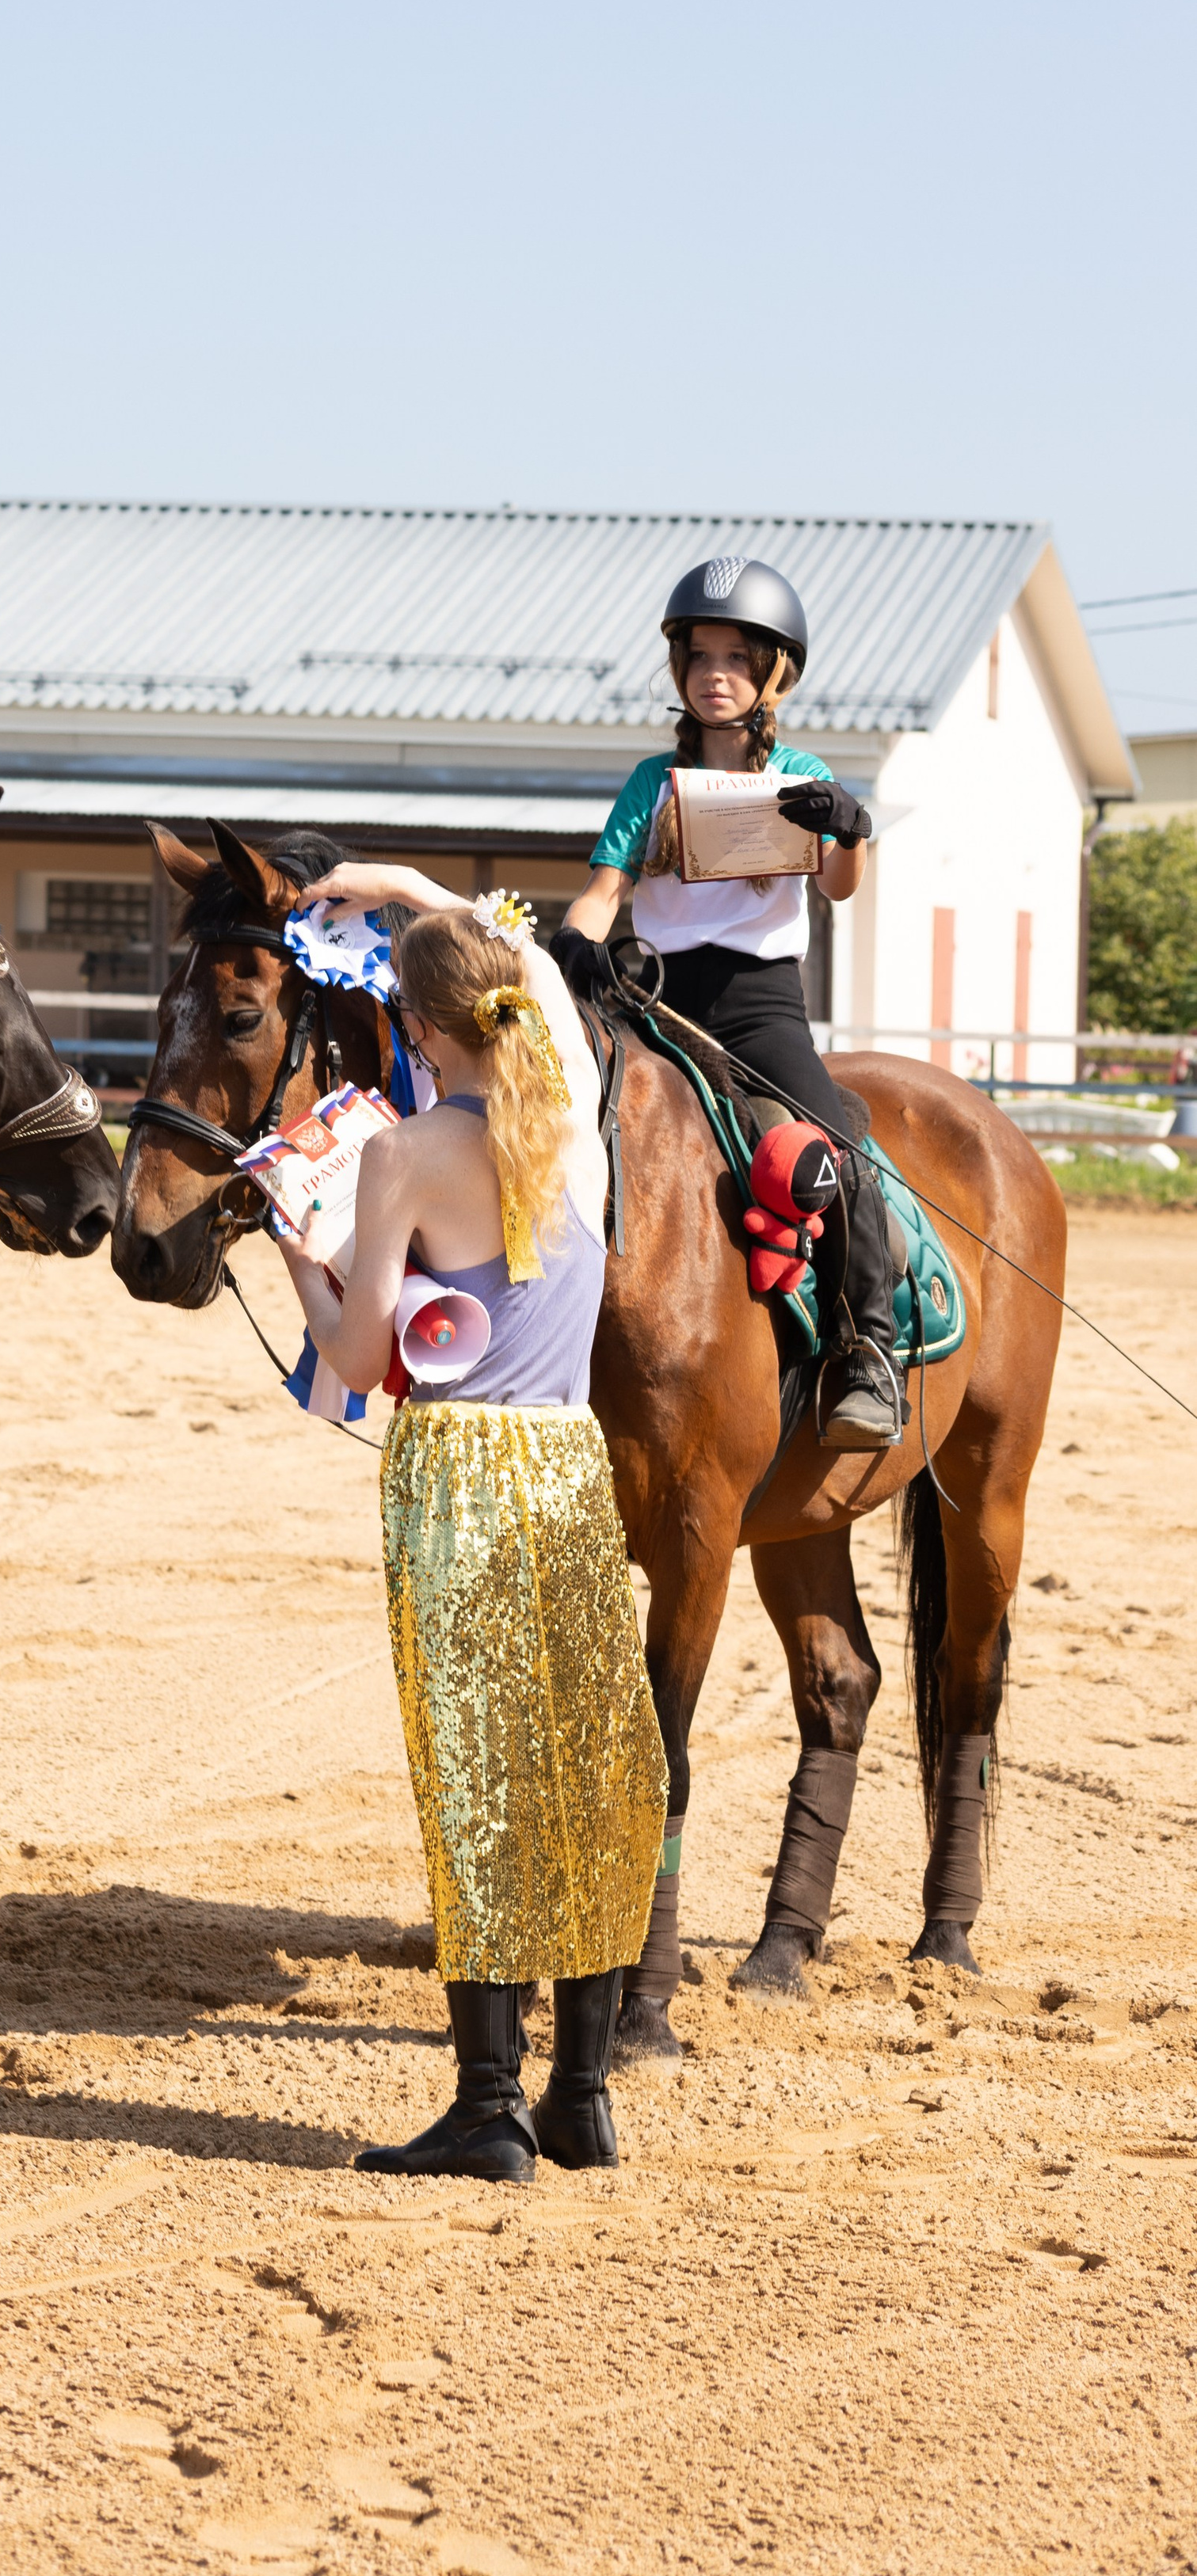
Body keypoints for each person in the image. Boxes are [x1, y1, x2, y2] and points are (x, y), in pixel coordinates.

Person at [275, 895, 668, 2182]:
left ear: (415, 1025)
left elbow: (352, 1350)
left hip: (462, 1472)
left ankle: (489, 2105)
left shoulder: (401, 1160)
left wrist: (298, 1254)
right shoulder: (581, 1144)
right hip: (567, 1460)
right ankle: (584, 2092)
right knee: (588, 1775)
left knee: (481, 1787)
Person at [544, 557, 901, 1449]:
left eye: (737, 659)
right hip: (657, 1002)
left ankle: (869, 1356)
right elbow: (603, 892)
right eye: (700, 657)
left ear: (773, 672)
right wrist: (574, 940)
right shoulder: (647, 785)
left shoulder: (801, 773)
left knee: (842, 1150)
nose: (716, 675)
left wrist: (848, 827)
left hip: (758, 1006)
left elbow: (842, 885)